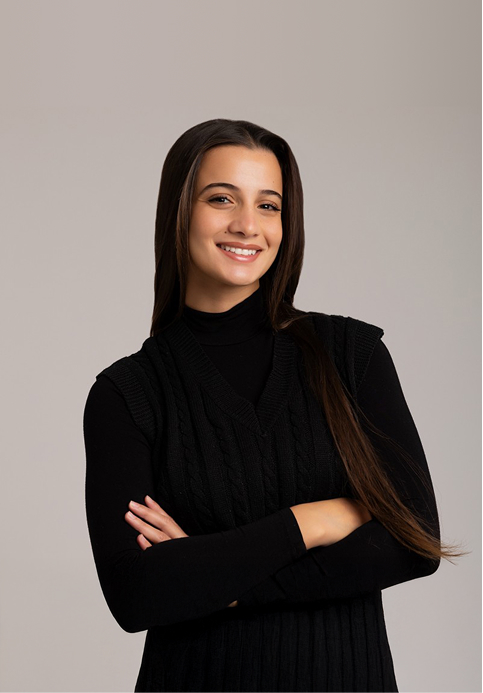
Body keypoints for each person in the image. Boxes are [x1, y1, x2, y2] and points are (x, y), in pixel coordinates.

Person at [83, 118, 455, 692]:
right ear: (179, 210)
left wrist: (215, 578)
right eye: (221, 198)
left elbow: (414, 540)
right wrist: (314, 521)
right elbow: (137, 594)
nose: (247, 225)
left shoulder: (351, 356)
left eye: (268, 205)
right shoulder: (127, 394)